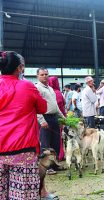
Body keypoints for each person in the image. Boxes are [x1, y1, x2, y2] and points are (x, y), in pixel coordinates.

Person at [0, 51, 47, 200]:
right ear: (20, 68)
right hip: (23, 149)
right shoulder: (27, 86)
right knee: (23, 195)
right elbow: (43, 108)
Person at [36, 67, 65, 171]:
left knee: (56, 143)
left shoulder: (51, 88)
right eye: (42, 74)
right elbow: (35, 106)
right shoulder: (37, 88)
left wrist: (63, 118)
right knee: (45, 144)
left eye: (46, 74)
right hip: (45, 118)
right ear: (37, 76)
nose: (44, 76)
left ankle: (54, 164)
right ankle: (46, 167)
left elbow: (55, 106)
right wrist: (41, 120)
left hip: (54, 118)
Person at [48, 76, 66, 161]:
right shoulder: (58, 93)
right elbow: (63, 104)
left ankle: (52, 158)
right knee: (58, 138)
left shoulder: (48, 91)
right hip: (59, 118)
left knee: (50, 139)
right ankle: (60, 155)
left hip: (48, 119)